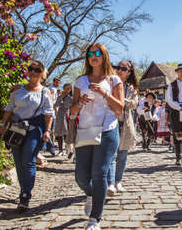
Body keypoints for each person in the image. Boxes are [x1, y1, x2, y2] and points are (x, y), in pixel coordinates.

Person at [69, 43, 124, 230]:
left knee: (99, 172)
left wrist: (104, 93)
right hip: (86, 130)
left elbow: (119, 109)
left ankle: (95, 220)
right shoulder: (80, 80)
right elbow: (72, 110)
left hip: (107, 129)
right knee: (81, 177)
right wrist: (80, 102)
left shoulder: (114, 80)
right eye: (90, 53)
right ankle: (91, 194)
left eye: (98, 53)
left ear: (104, 56)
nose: (94, 56)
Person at [0, 61, 54, 212]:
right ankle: (23, 188)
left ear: (42, 73)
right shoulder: (17, 90)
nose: (34, 72)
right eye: (31, 69)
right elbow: (9, 109)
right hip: (16, 129)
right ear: (27, 71)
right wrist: (2, 126)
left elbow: (49, 114)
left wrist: (47, 131)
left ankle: (25, 195)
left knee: (29, 161)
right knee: (18, 161)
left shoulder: (45, 92)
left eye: (37, 70)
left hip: (34, 130)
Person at [107, 60, 139, 195]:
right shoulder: (109, 83)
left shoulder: (131, 88)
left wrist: (120, 100)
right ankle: (109, 183)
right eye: (118, 67)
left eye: (123, 69)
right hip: (110, 122)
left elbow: (134, 104)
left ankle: (117, 181)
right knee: (110, 155)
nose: (119, 70)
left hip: (125, 124)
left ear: (129, 72)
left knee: (122, 155)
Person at [54, 83, 73, 156]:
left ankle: (69, 150)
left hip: (66, 115)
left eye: (68, 89)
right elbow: (55, 105)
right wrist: (61, 97)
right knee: (58, 133)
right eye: (65, 88)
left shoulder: (71, 98)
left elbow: (72, 107)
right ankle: (60, 150)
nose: (66, 90)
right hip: (59, 116)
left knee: (66, 133)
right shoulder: (60, 96)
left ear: (70, 89)